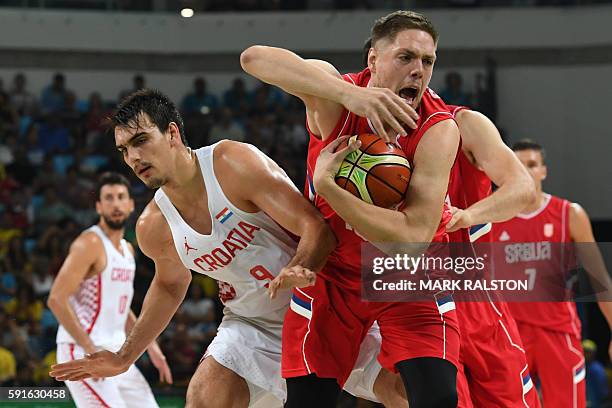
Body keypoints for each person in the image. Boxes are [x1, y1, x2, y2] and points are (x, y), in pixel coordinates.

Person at [50, 90, 388, 408]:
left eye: (140, 141)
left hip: (325, 306)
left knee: (407, 390)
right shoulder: (153, 226)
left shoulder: (231, 163)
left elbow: (315, 227)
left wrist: (300, 267)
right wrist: (125, 357)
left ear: (171, 133)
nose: (133, 157)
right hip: (252, 325)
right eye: (124, 150)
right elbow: (169, 285)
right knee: (204, 397)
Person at [242, 10, 462, 407]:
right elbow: (253, 58)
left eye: (428, 61)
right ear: (374, 61)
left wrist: (329, 186)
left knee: (439, 398)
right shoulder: (333, 96)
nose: (418, 71)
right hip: (335, 275)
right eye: (406, 57)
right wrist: (349, 95)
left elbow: (412, 240)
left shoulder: (438, 128)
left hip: (407, 277)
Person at [491, 139, 612, 408]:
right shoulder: (492, 218)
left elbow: (600, 279)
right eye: (519, 165)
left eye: (532, 165)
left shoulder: (570, 214)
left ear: (544, 170)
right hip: (512, 334)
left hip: (558, 333)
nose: (526, 171)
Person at [47, 172, 170, 408]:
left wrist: (152, 348)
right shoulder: (90, 243)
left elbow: (122, 311)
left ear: (131, 205)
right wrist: (90, 350)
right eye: (109, 198)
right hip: (84, 350)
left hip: (115, 352)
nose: (115, 204)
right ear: (98, 206)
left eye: (121, 197)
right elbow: (56, 299)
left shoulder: (127, 250)